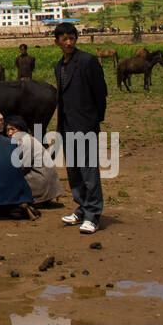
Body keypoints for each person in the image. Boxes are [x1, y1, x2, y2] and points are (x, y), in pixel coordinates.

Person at [53, 21, 107, 234]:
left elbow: (100, 93)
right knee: (74, 171)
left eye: (72, 38)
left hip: (85, 125)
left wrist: (94, 121)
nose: (68, 42)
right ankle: (82, 208)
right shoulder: (59, 66)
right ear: (56, 41)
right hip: (67, 125)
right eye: (64, 39)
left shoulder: (88, 61)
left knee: (89, 170)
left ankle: (93, 215)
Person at [4, 115, 61, 206]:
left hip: (42, 182)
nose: (10, 133)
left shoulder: (26, 142)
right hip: (45, 181)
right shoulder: (26, 139)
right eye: (7, 130)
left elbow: (23, 167)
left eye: (13, 129)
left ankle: (37, 198)